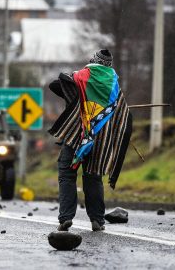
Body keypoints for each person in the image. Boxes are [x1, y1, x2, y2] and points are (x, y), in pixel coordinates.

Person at [48, 49, 132, 232]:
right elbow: (122, 114)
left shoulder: (80, 77)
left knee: (67, 174)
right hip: (100, 140)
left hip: (77, 135)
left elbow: (54, 85)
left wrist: (73, 98)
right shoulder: (114, 84)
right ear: (109, 65)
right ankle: (97, 220)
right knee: (93, 177)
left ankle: (65, 218)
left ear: (93, 61)